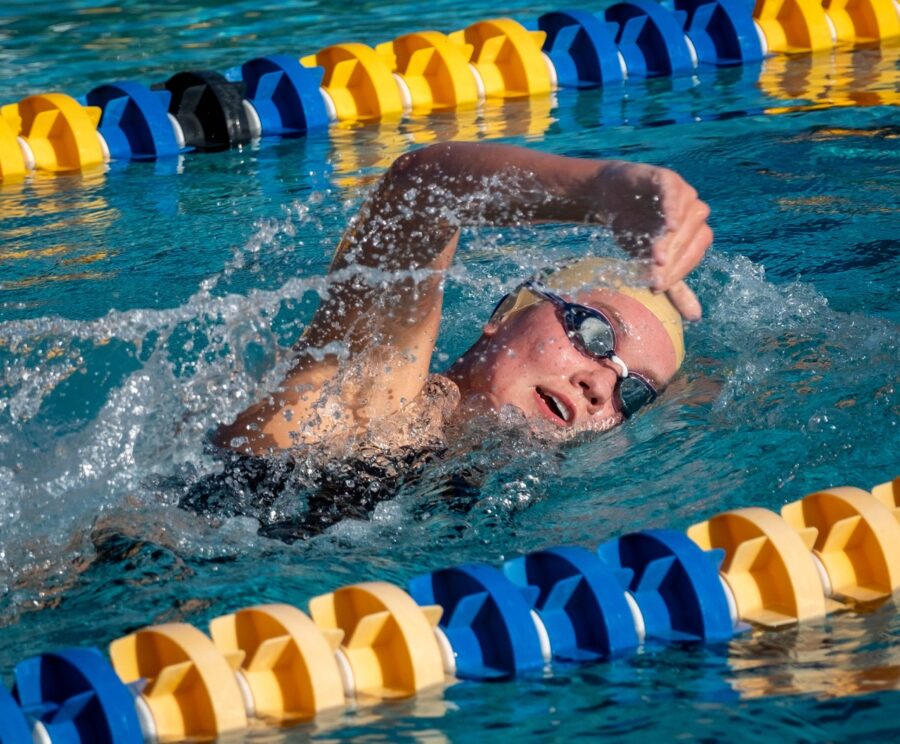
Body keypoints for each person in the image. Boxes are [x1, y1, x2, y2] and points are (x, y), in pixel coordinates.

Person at [182, 142, 711, 538]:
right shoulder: (369, 403)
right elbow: (421, 193)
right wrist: (602, 189)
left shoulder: (499, 501)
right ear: (506, 313)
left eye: (634, 391)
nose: (601, 385)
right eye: (595, 334)